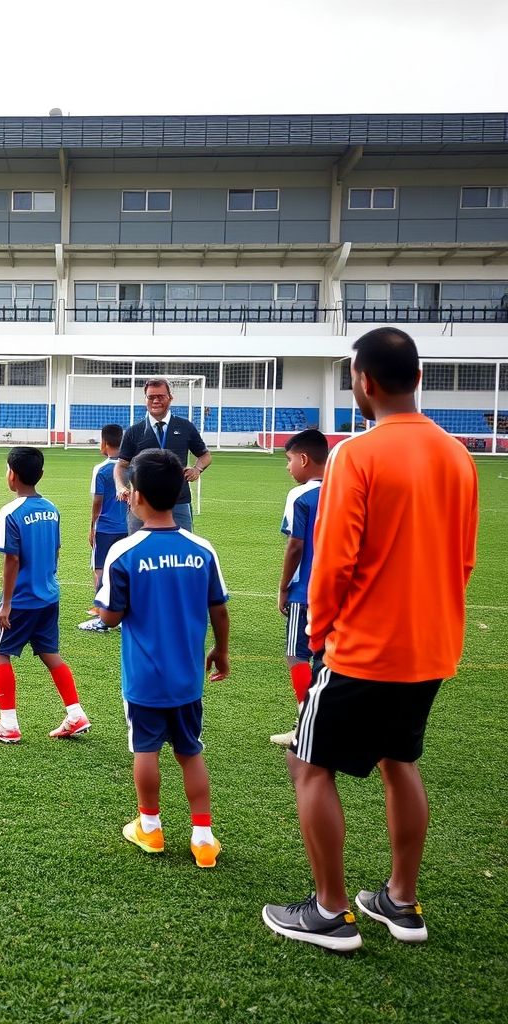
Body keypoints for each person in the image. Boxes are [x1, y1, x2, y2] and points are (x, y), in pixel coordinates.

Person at [262, 328, 479, 953]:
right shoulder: (457, 455)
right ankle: (400, 901)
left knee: (308, 763)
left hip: (363, 647)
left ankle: (330, 912)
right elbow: (464, 559)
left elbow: (333, 562)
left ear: (365, 381)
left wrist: (320, 633)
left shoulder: (356, 454)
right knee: (399, 759)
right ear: (417, 378)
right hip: (431, 644)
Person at [96, 449, 230, 866]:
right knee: (190, 751)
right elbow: (219, 609)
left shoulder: (124, 551)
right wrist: (221, 651)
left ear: (135, 495)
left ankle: (150, 828)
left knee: (145, 749)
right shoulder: (201, 549)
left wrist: (105, 602)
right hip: (187, 677)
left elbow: (110, 617)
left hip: (144, 679)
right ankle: (203, 837)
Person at [0, 447, 91, 744]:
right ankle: (75, 713)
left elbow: (12, 559)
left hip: (22, 600)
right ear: (40, 474)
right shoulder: (52, 508)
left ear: (12, 475)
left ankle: (8, 724)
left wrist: (6, 604)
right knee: (50, 654)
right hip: (48, 595)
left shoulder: (11, 512)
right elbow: (56, 550)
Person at [270, 428, 329, 746]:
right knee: (330, 659)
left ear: (304, 459)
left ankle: (307, 725)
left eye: (289, 459)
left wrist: (283, 588)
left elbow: (295, 545)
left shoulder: (301, 495)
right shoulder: (345, 490)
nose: (288, 467)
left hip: (306, 591)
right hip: (341, 591)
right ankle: (329, 723)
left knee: (296, 655)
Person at [113, 377, 211, 533]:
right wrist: (120, 487)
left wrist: (197, 469)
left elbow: (205, 455)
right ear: (145, 399)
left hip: (179, 501)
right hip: (143, 503)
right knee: (140, 545)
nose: (156, 401)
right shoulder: (134, 431)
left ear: (170, 397)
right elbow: (121, 465)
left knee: (181, 545)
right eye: (151, 397)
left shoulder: (185, 427)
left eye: (160, 396)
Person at [78, 423, 128, 633]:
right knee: (125, 569)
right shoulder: (130, 467)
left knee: (100, 568)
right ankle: (125, 614)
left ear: (105, 443)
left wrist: (92, 527)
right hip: (128, 527)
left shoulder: (101, 469)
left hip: (105, 528)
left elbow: (97, 502)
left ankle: (102, 615)